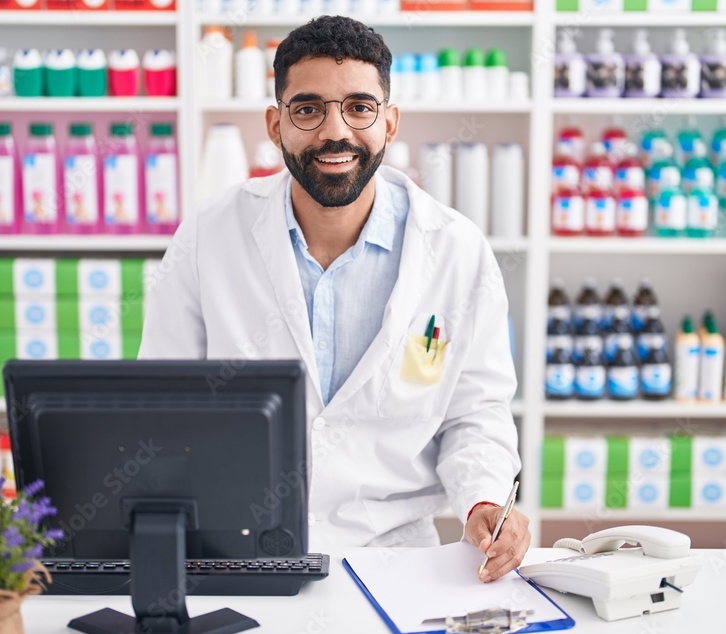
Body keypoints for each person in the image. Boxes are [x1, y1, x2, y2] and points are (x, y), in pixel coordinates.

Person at [139, 15, 529, 582]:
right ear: (276, 125)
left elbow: (476, 411)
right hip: (238, 549)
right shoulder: (209, 235)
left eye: (359, 107)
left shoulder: (456, 250)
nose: (334, 131)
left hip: (397, 559)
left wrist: (484, 500)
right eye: (308, 108)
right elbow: (162, 398)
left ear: (389, 122)